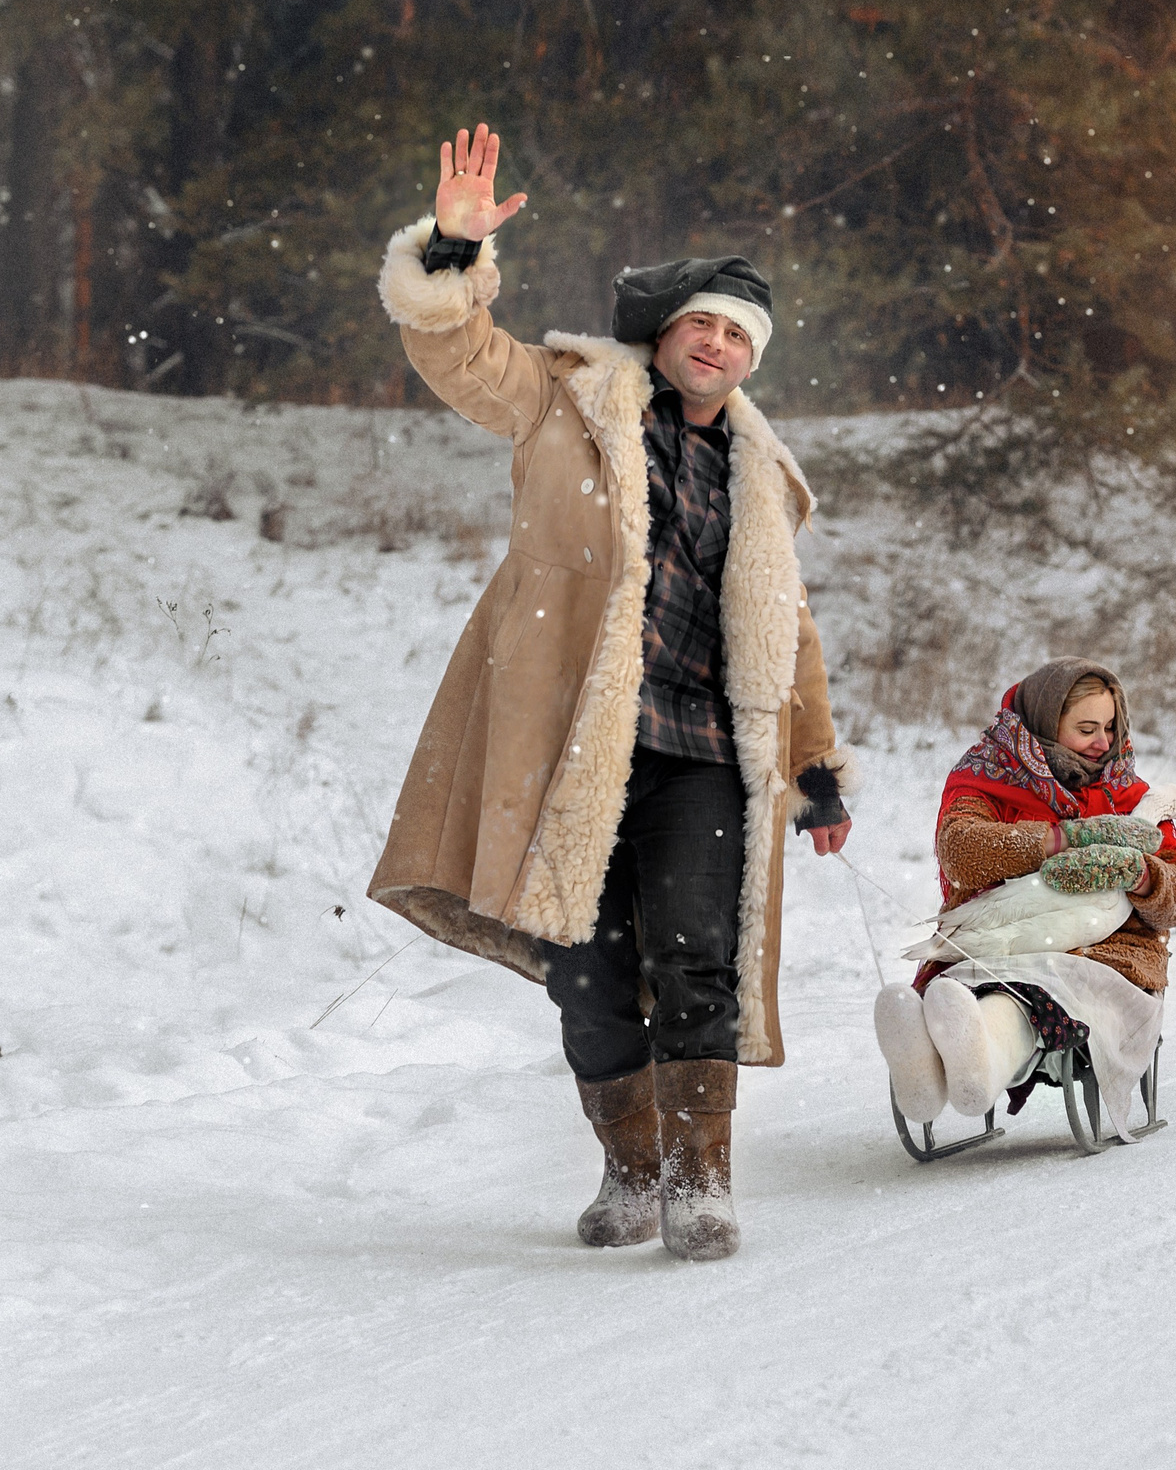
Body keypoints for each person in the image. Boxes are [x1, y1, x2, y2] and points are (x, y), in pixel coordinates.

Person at [365, 124, 856, 1261]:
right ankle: (630, 1169)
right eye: (703, 325)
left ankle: (700, 1181)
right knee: (586, 977)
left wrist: (818, 762)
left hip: (699, 752)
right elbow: (459, 355)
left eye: (740, 336)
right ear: (663, 333)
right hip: (573, 744)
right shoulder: (566, 400)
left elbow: (789, 629)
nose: (720, 346)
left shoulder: (760, 473)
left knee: (694, 953)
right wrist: (447, 246)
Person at [875, 658, 1176, 1129]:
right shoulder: (989, 776)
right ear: (1046, 722)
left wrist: (1142, 874)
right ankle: (924, 1068)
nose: (1103, 742)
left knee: (1040, 988)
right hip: (999, 935)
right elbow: (961, 851)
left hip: (1104, 952)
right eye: (1087, 728)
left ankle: (974, 1066)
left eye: (1109, 727)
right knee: (986, 978)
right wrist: (1062, 838)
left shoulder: (1128, 796)